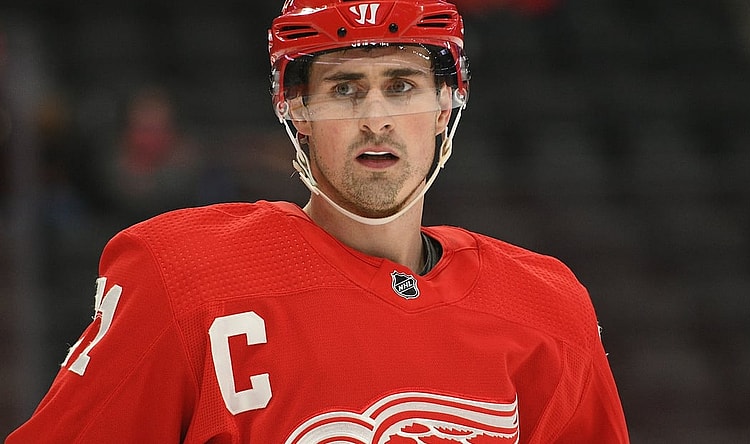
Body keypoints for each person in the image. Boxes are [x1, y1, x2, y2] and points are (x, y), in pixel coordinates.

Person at [6, 0, 629, 442]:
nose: (376, 117)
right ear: (296, 111)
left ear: (446, 105)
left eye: (403, 85)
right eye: (345, 88)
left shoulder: (548, 310)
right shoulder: (183, 279)